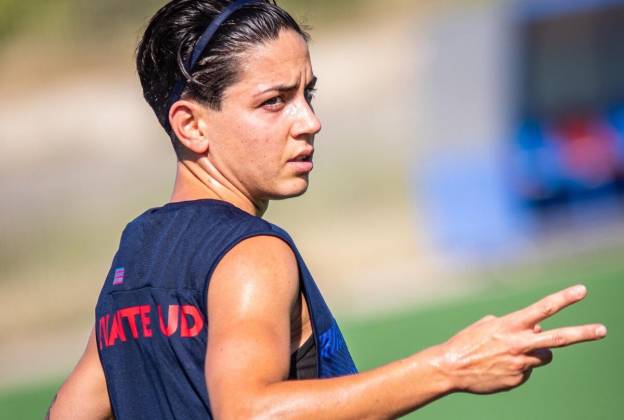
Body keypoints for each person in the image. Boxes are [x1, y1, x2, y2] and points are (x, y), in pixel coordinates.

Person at [47, 0, 608, 418]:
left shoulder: (136, 253)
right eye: (273, 101)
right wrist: (450, 366)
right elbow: (248, 411)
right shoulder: (251, 253)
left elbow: (69, 412)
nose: (309, 121)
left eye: (306, 93)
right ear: (191, 124)